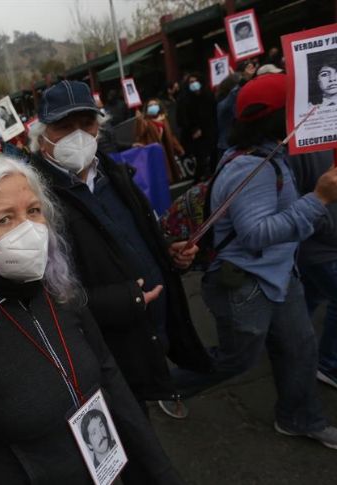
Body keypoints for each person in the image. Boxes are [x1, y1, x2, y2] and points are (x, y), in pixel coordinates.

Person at [0, 153, 184, 485]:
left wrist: (161, 472)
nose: (27, 229)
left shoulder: (62, 291)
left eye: (33, 211)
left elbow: (111, 380)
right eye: (4, 219)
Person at [165, 73, 337, 450]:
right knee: (235, 360)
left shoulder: (272, 155)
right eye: (296, 110)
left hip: (282, 277)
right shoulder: (251, 168)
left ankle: (299, 418)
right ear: (277, 119)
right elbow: (256, 234)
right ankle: (163, 386)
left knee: (300, 349)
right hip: (247, 285)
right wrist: (319, 199)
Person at [27, 80, 212, 419]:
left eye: (86, 124)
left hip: (151, 332)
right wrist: (123, 300)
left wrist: (169, 252)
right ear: (42, 137)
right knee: (131, 435)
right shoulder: (34, 200)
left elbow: (139, 234)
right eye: (64, 127)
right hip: (104, 351)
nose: (78, 135)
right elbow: (48, 297)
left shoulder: (115, 174)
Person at [289, 148, 337, 397]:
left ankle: (289, 345)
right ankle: (330, 364)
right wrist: (324, 224)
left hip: (334, 240)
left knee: (312, 292)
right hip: (324, 245)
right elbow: (293, 199)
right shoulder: (307, 141)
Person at [133, 98, 185, 184]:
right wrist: (139, 120)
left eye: (154, 105)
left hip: (164, 152)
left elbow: (170, 136)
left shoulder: (163, 119)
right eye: (150, 105)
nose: (152, 107)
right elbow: (139, 135)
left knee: (168, 178)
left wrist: (178, 148)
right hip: (152, 154)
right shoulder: (144, 121)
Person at [177, 73, 217, 180]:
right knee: (201, 161)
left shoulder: (208, 95)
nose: (194, 84)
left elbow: (213, 113)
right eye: (191, 82)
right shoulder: (184, 99)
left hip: (210, 133)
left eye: (195, 81)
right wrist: (193, 129)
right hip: (195, 136)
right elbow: (181, 119)